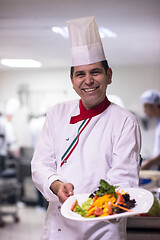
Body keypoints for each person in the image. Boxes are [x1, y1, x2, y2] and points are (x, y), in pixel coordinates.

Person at [31, 16, 141, 240]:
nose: (88, 80)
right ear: (72, 80)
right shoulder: (56, 113)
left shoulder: (125, 121)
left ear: (108, 76)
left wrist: (94, 207)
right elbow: (40, 164)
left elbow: (123, 178)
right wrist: (57, 184)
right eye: (80, 74)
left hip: (103, 226)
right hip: (59, 225)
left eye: (95, 72)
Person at [140, 90, 160, 170]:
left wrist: (148, 163)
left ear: (154, 106)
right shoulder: (158, 122)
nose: (144, 110)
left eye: (145, 106)